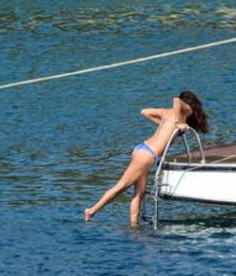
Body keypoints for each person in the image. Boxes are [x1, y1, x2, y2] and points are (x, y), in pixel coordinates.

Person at [84, 90, 209, 226]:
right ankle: (92, 210)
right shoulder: (187, 110)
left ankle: (134, 225)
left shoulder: (166, 113)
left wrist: (166, 126)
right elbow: (176, 101)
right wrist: (178, 123)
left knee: (139, 193)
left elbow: (145, 112)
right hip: (148, 155)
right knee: (121, 186)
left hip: (143, 149)